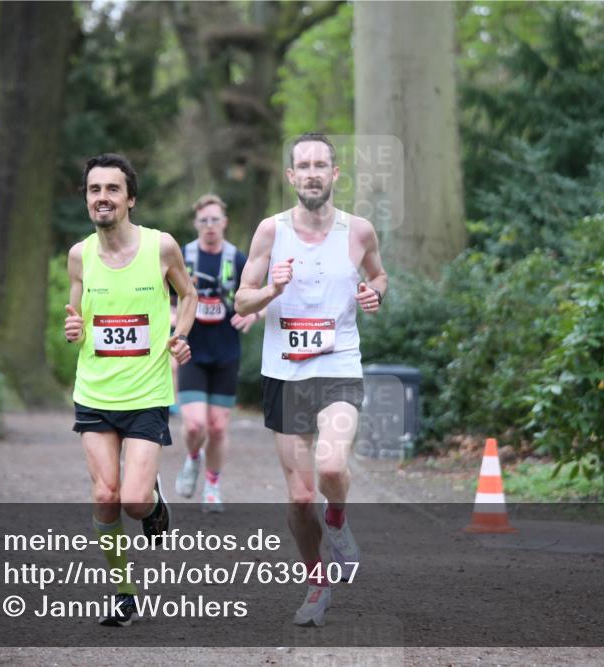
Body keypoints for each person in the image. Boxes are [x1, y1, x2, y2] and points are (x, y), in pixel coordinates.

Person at [234, 132, 388, 627]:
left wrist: (375, 294)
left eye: (322, 164)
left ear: (335, 174)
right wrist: (272, 288)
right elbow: (242, 301)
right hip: (285, 373)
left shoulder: (359, 230)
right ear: (292, 176)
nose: (314, 172)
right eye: (304, 165)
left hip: (338, 364)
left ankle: (338, 520)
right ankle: (317, 584)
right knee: (300, 498)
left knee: (331, 464)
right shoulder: (269, 232)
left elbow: (379, 276)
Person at [64, 153, 197, 627]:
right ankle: (123, 592)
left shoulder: (160, 247)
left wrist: (179, 335)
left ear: (130, 199)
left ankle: (154, 503)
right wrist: (74, 327)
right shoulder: (79, 256)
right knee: (105, 495)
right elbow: (76, 315)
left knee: (134, 501)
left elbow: (190, 294)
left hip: (146, 394)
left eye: (112, 189)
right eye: (94, 189)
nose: (103, 197)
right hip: (96, 392)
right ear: (86, 198)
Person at [172, 194, 260, 512]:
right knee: (195, 425)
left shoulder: (237, 258)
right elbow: (162, 295)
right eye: (204, 220)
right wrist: (172, 316)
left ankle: (212, 485)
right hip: (191, 352)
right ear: (196, 224)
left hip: (226, 352)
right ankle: (192, 458)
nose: (210, 226)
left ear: (225, 223)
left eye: (215, 220)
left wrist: (253, 314)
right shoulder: (184, 256)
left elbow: (261, 294)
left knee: (219, 427)